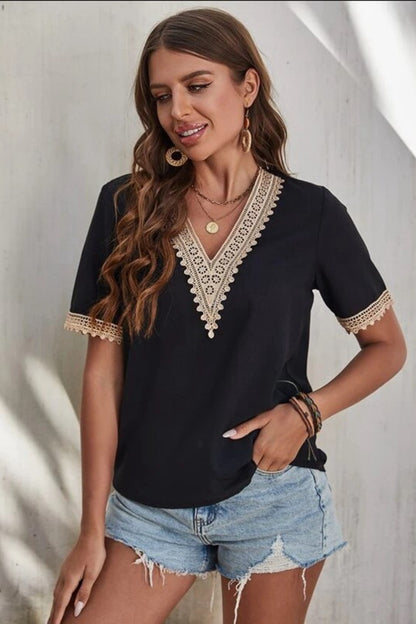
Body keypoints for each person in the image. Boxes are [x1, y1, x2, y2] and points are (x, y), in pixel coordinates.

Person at [46, 7, 406, 624]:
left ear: (248, 86)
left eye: (197, 85)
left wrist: (306, 412)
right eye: (162, 95)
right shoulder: (125, 207)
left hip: (275, 496)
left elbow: (387, 347)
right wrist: (90, 528)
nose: (178, 111)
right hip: (149, 505)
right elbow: (103, 376)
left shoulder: (311, 215)